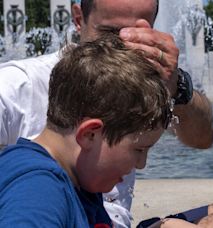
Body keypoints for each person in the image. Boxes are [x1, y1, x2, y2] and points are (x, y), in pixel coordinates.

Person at [0, 0, 213, 227]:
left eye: (141, 34)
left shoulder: (146, 85)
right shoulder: (23, 87)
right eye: (111, 32)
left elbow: (204, 140)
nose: (125, 45)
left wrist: (176, 86)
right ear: (78, 19)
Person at [0, 36, 171, 227]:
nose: (141, 164)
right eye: (139, 150)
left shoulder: (80, 179)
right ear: (90, 134)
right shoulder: (39, 189)